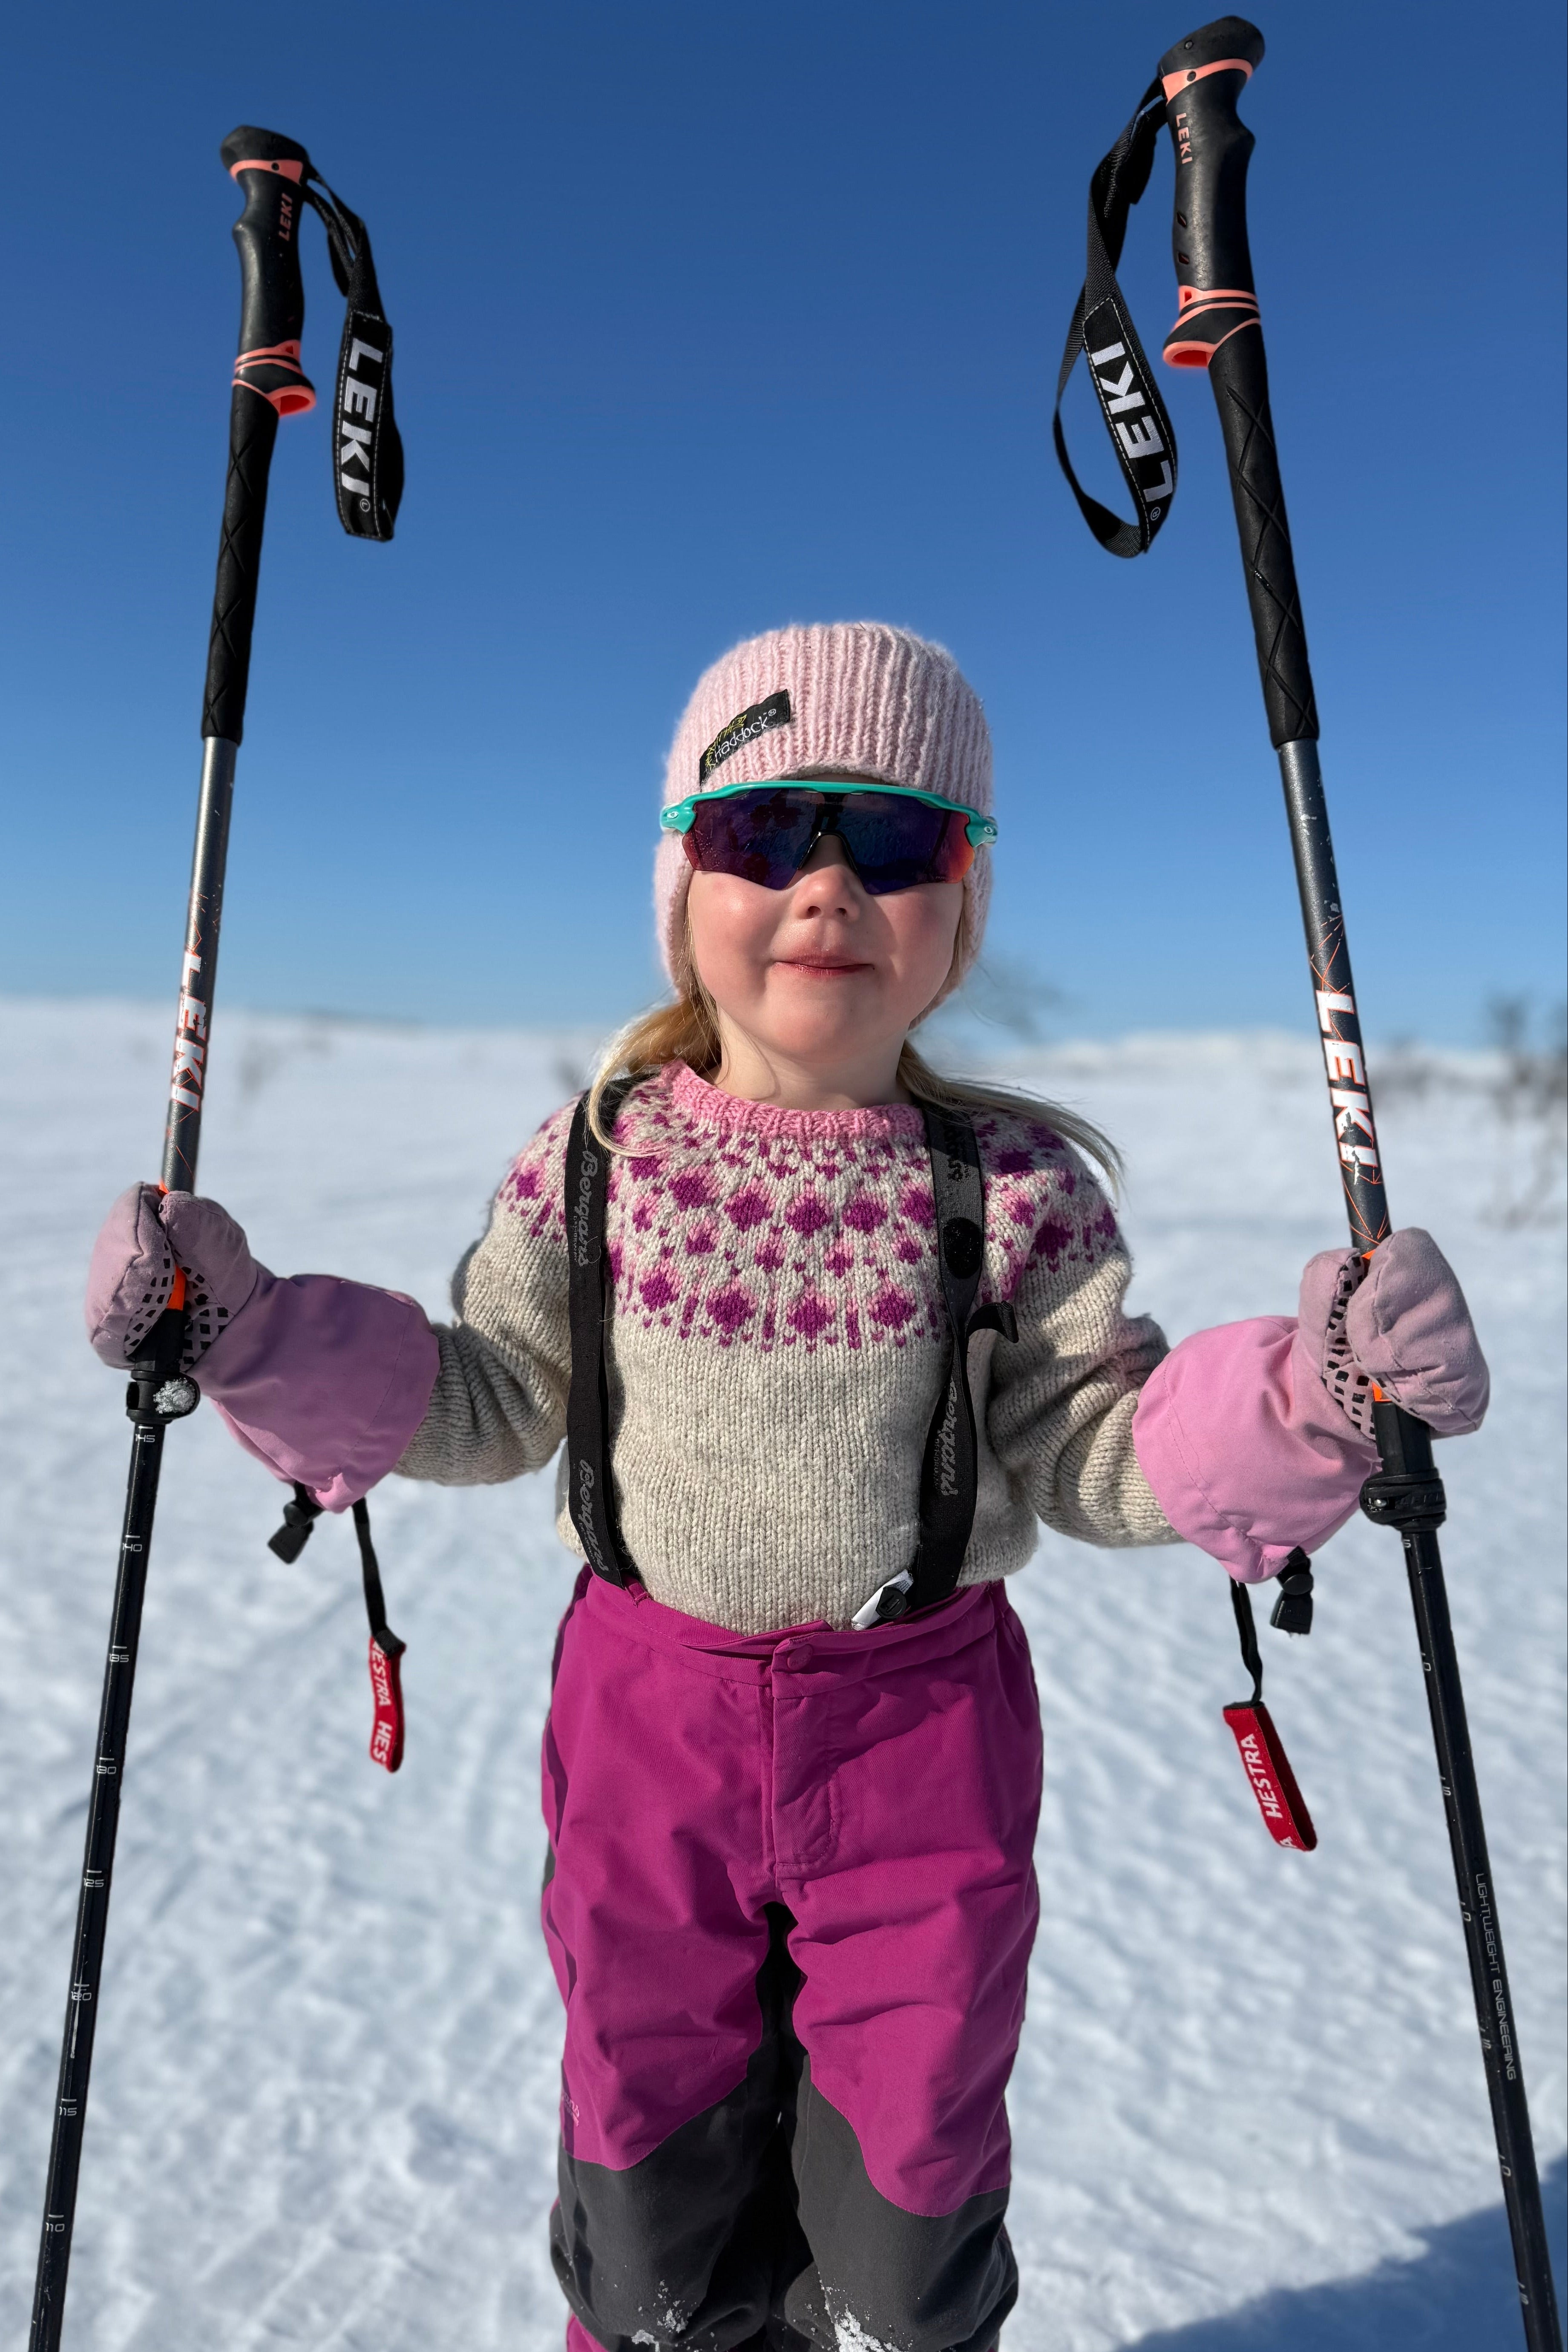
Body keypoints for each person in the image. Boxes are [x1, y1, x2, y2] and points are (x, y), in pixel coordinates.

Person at [85, 623, 1489, 2352]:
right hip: (644, 1731)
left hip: (923, 1748)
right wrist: (242, 1332)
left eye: (891, 839)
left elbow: (1103, 1445)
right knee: (649, 2189)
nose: (826, 883)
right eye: (766, 833)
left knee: (906, 2220)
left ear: (960, 908)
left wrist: (1319, 1393)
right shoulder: (594, 1157)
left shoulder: (1014, 1185)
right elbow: (494, 1388)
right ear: (685, 887)